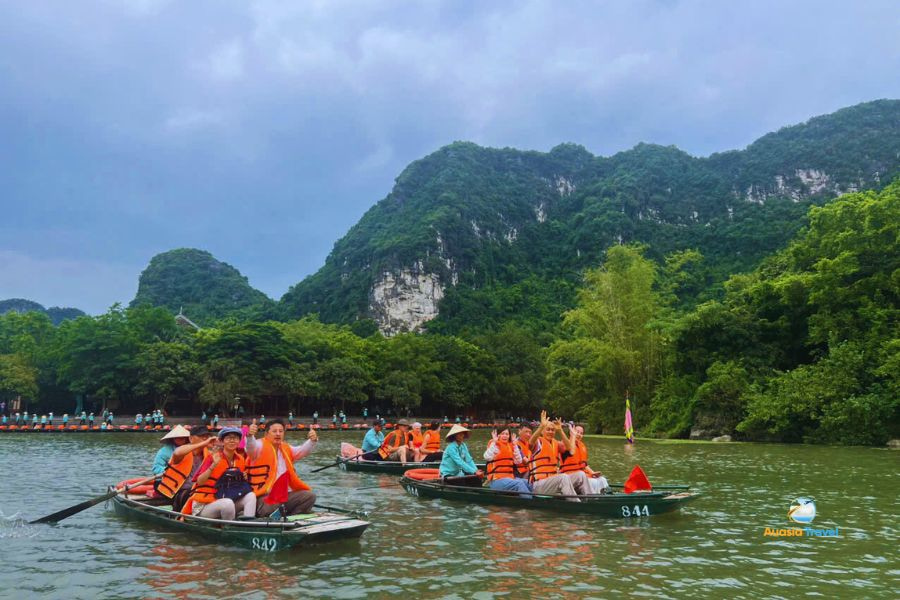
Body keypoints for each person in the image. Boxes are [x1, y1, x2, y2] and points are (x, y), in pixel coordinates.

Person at [245, 419, 318, 517]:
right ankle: (270, 517)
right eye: (274, 431)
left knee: (309, 496)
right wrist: (249, 436)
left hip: (283, 495)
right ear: (266, 433)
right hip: (262, 496)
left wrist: (312, 441)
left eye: (281, 431)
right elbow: (250, 447)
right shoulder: (259, 446)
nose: (278, 434)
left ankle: (292, 519)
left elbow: (302, 451)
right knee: (273, 503)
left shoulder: (286, 448)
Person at [184, 427, 257, 520]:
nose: (232, 440)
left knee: (251, 496)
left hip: (227, 499)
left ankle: (248, 525)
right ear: (222, 442)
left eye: (235, 438)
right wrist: (213, 465)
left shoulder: (240, 459)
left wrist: (243, 477)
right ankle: (228, 528)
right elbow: (200, 481)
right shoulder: (212, 457)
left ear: (239, 441)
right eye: (228, 438)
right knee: (227, 503)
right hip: (205, 505)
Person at [528, 412, 590, 502]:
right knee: (563, 477)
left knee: (581, 475)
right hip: (539, 485)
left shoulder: (556, 443)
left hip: (554, 481)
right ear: (542, 431)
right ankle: (576, 504)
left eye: (553, 430)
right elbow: (530, 442)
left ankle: (591, 500)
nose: (551, 432)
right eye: (548, 429)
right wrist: (541, 426)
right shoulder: (538, 442)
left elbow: (570, 449)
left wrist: (560, 430)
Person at [156, 425, 214, 511]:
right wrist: (204, 443)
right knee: (189, 494)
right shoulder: (181, 451)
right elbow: (177, 453)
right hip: (176, 489)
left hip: (196, 488)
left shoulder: (208, 453)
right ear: (190, 439)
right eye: (202, 436)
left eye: (206, 437)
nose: (205, 439)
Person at [560, 425, 611, 494]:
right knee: (594, 482)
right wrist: (573, 436)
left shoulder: (582, 446)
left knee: (602, 479)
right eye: (577, 432)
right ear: (571, 432)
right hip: (570, 475)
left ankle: (606, 496)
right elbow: (570, 451)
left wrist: (592, 473)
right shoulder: (566, 444)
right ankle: (594, 499)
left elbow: (584, 464)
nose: (579, 435)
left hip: (583, 474)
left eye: (581, 433)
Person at [484, 427, 532, 497]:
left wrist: (515, 445)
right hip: (497, 480)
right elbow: (487, 457)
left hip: (510, 477)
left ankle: (538, 499)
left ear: (509, 436)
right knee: (519, 484)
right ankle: (529, 504)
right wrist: (495, 442)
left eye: (507, 434)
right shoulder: (494, 444)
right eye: (502, 433)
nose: (505, 436)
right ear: (498, 435)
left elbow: (518, 461)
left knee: (529, 482)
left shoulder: (511, 446)